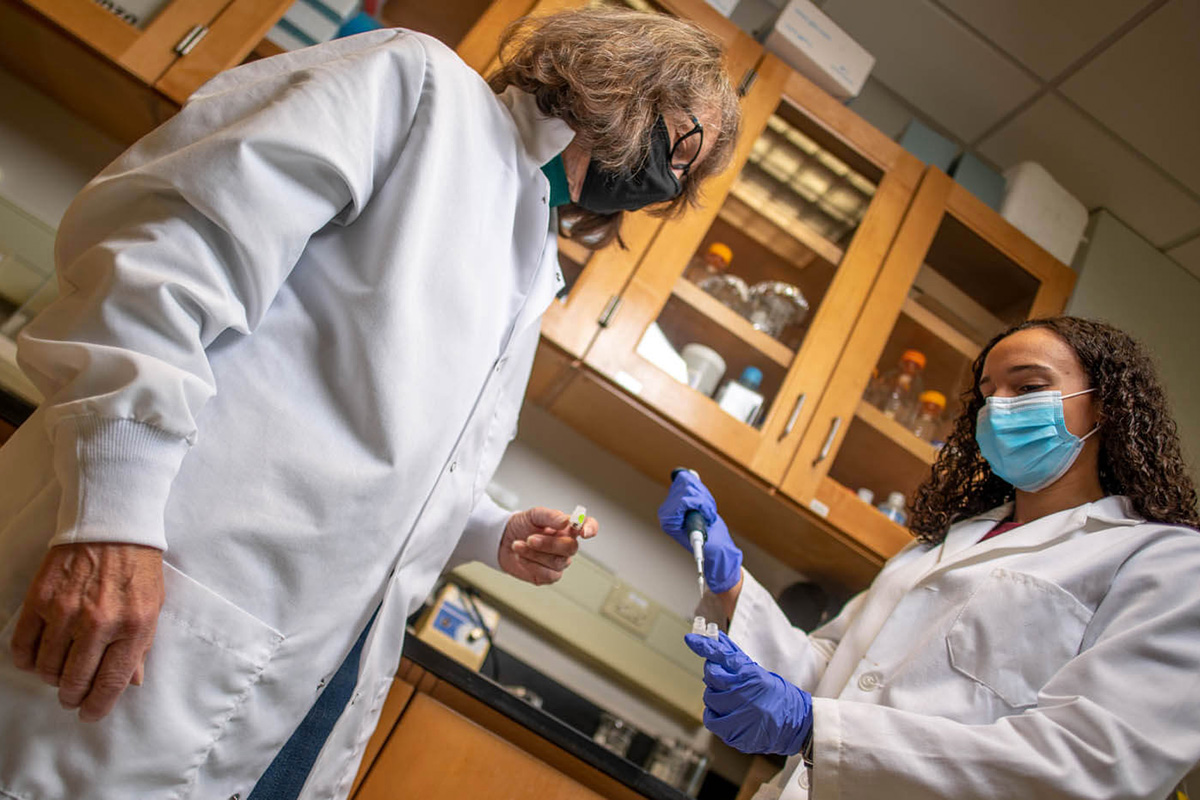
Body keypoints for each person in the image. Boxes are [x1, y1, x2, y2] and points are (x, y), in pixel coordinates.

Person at [0, 8, 741, 800]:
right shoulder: (415, 87)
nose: (674, 180)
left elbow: (385, 453)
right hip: (149, 590)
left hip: (299, 683)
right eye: (685, 145)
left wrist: (490, 531)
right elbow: (165, 261)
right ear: (625, 76)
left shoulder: (529, 244)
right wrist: (110, 516)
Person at [659, 316, 1200, 800]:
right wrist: (730, 582)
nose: (1001, 408)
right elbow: (832, 674)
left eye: (1029, 387)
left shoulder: (1164, 561)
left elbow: (1097, 766)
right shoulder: (943, 544)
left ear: (1106, 403)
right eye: (989, 394)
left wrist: (814, 730)